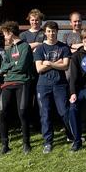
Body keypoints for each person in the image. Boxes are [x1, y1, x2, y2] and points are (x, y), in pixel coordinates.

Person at [0, 20, 37, 155]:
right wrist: (10, 67)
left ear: (10, 33)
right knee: (2, 113)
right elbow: (4, 67)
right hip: (7, 83)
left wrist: (10, 67)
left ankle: (26, 143)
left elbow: (21, 67)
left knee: (23, 112)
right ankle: (5, 145)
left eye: (5, 34)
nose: (4, 37)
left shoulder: (25, 47)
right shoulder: (8, 50)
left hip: (22, 83)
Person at [34, 21, 71, 154]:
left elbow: (65, 66)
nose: (51, 33)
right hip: (43, 85)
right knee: (45, 114)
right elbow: (39, 69)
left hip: (60, 84)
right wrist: (57, 62)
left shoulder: (64, 47)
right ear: (45, 32)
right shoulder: (40, 49)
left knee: (64, 111)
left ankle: (70, 135)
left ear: (57, 32)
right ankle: (48, 142)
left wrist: (48, 63)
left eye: (54, 31)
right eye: (49, 31)